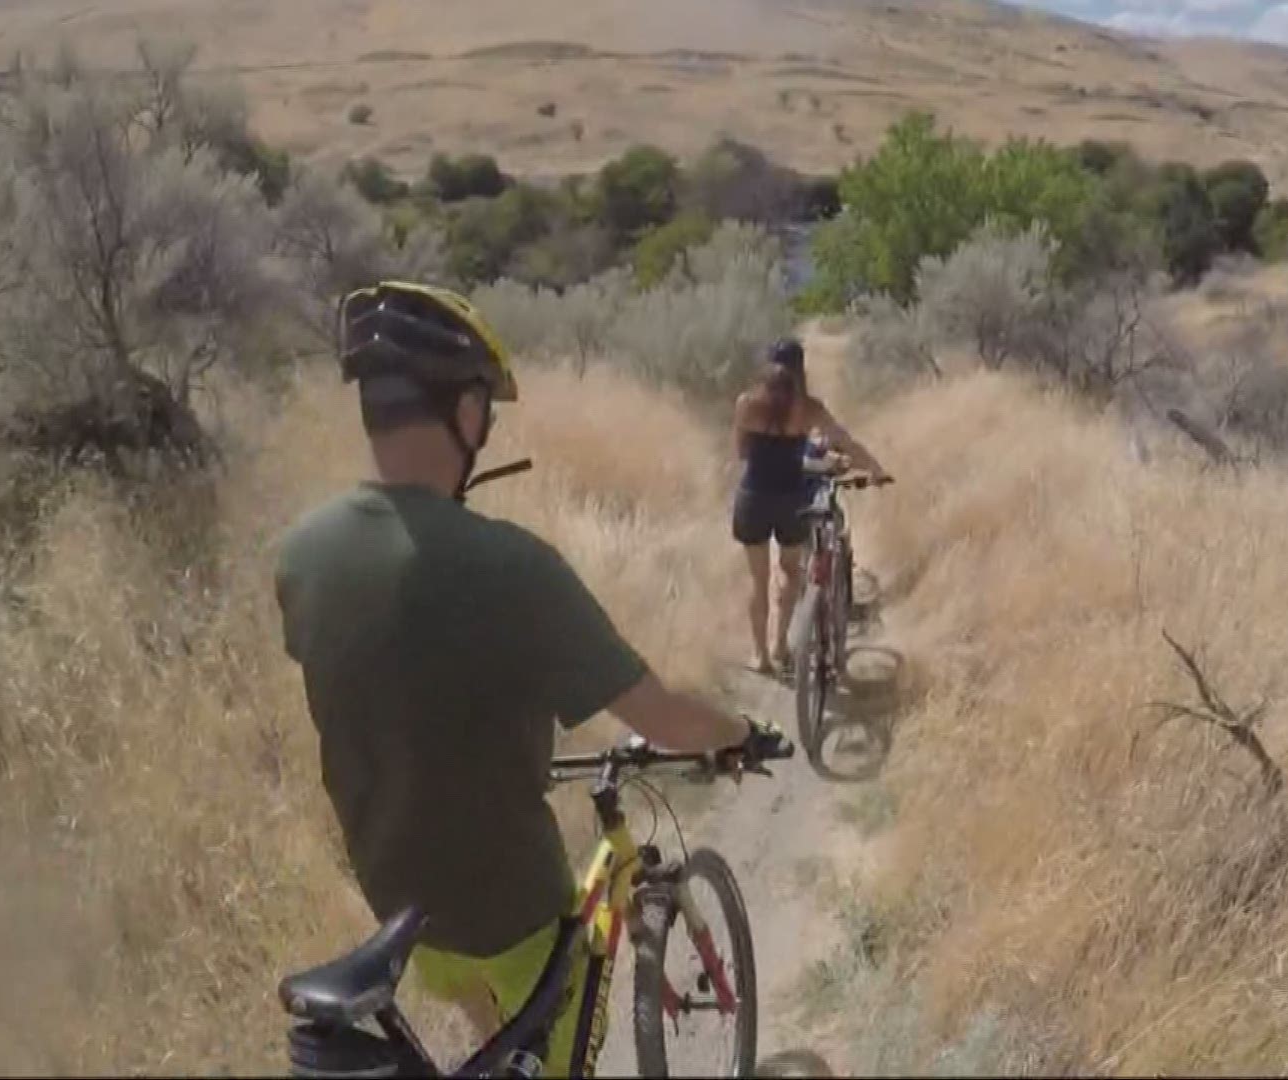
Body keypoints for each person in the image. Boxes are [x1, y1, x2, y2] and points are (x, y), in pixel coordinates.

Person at [274, 281, 775, 1077]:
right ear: (466, 413)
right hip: (513, 918)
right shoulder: (512, 565)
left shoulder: (303, 553)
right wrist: (743, 734)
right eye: (488, 409)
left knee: (493, 1042)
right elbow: (665, 717)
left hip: (403, 914)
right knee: (560, 1042)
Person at [731, 337, 890, 675]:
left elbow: (742, 452)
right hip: (792, 500)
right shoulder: (809, 409)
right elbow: (846, 442)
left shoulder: (746, 404)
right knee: (790, 574)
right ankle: (780, 645)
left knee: (756, 582)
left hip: (753, 497)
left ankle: (759, 656)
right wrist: (874, 469)